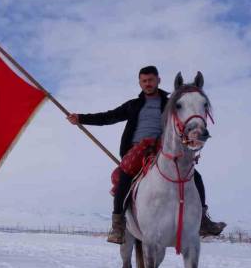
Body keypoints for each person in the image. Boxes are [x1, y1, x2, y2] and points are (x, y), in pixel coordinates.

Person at [67, 66, 226, 244]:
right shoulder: (132, 105)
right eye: (144, 81)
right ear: (140, 83)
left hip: (163, 148)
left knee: (194, 175)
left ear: (158, 80)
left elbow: (186, 117)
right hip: (136, 150)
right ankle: (118, 224)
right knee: (124, 177)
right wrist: (81, 118)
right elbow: (108, 117)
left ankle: (203, 220)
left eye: (151, 80)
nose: (148, 84)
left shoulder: (172, 103)